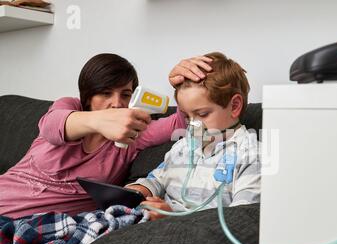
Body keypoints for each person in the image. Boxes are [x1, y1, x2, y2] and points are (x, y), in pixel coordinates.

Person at [0, 53, 213, 220]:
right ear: (88, 96)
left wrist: (183, 85)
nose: (117, 103)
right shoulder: (70, 107)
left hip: (35, 227)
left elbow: (184, 122)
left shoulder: (134, 134)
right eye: (105, 93)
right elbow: (51, 126)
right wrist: (102, 121)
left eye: (126, 95)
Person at [125, 52, 261, 221]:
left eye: (202, 114)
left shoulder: (250, 155)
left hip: (190, 235)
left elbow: (241, 221)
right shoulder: (184, 146)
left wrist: (172, 217)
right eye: (187, 116)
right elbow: (157, 179)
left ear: (234, 106)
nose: (193, 125)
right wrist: (135, 192)